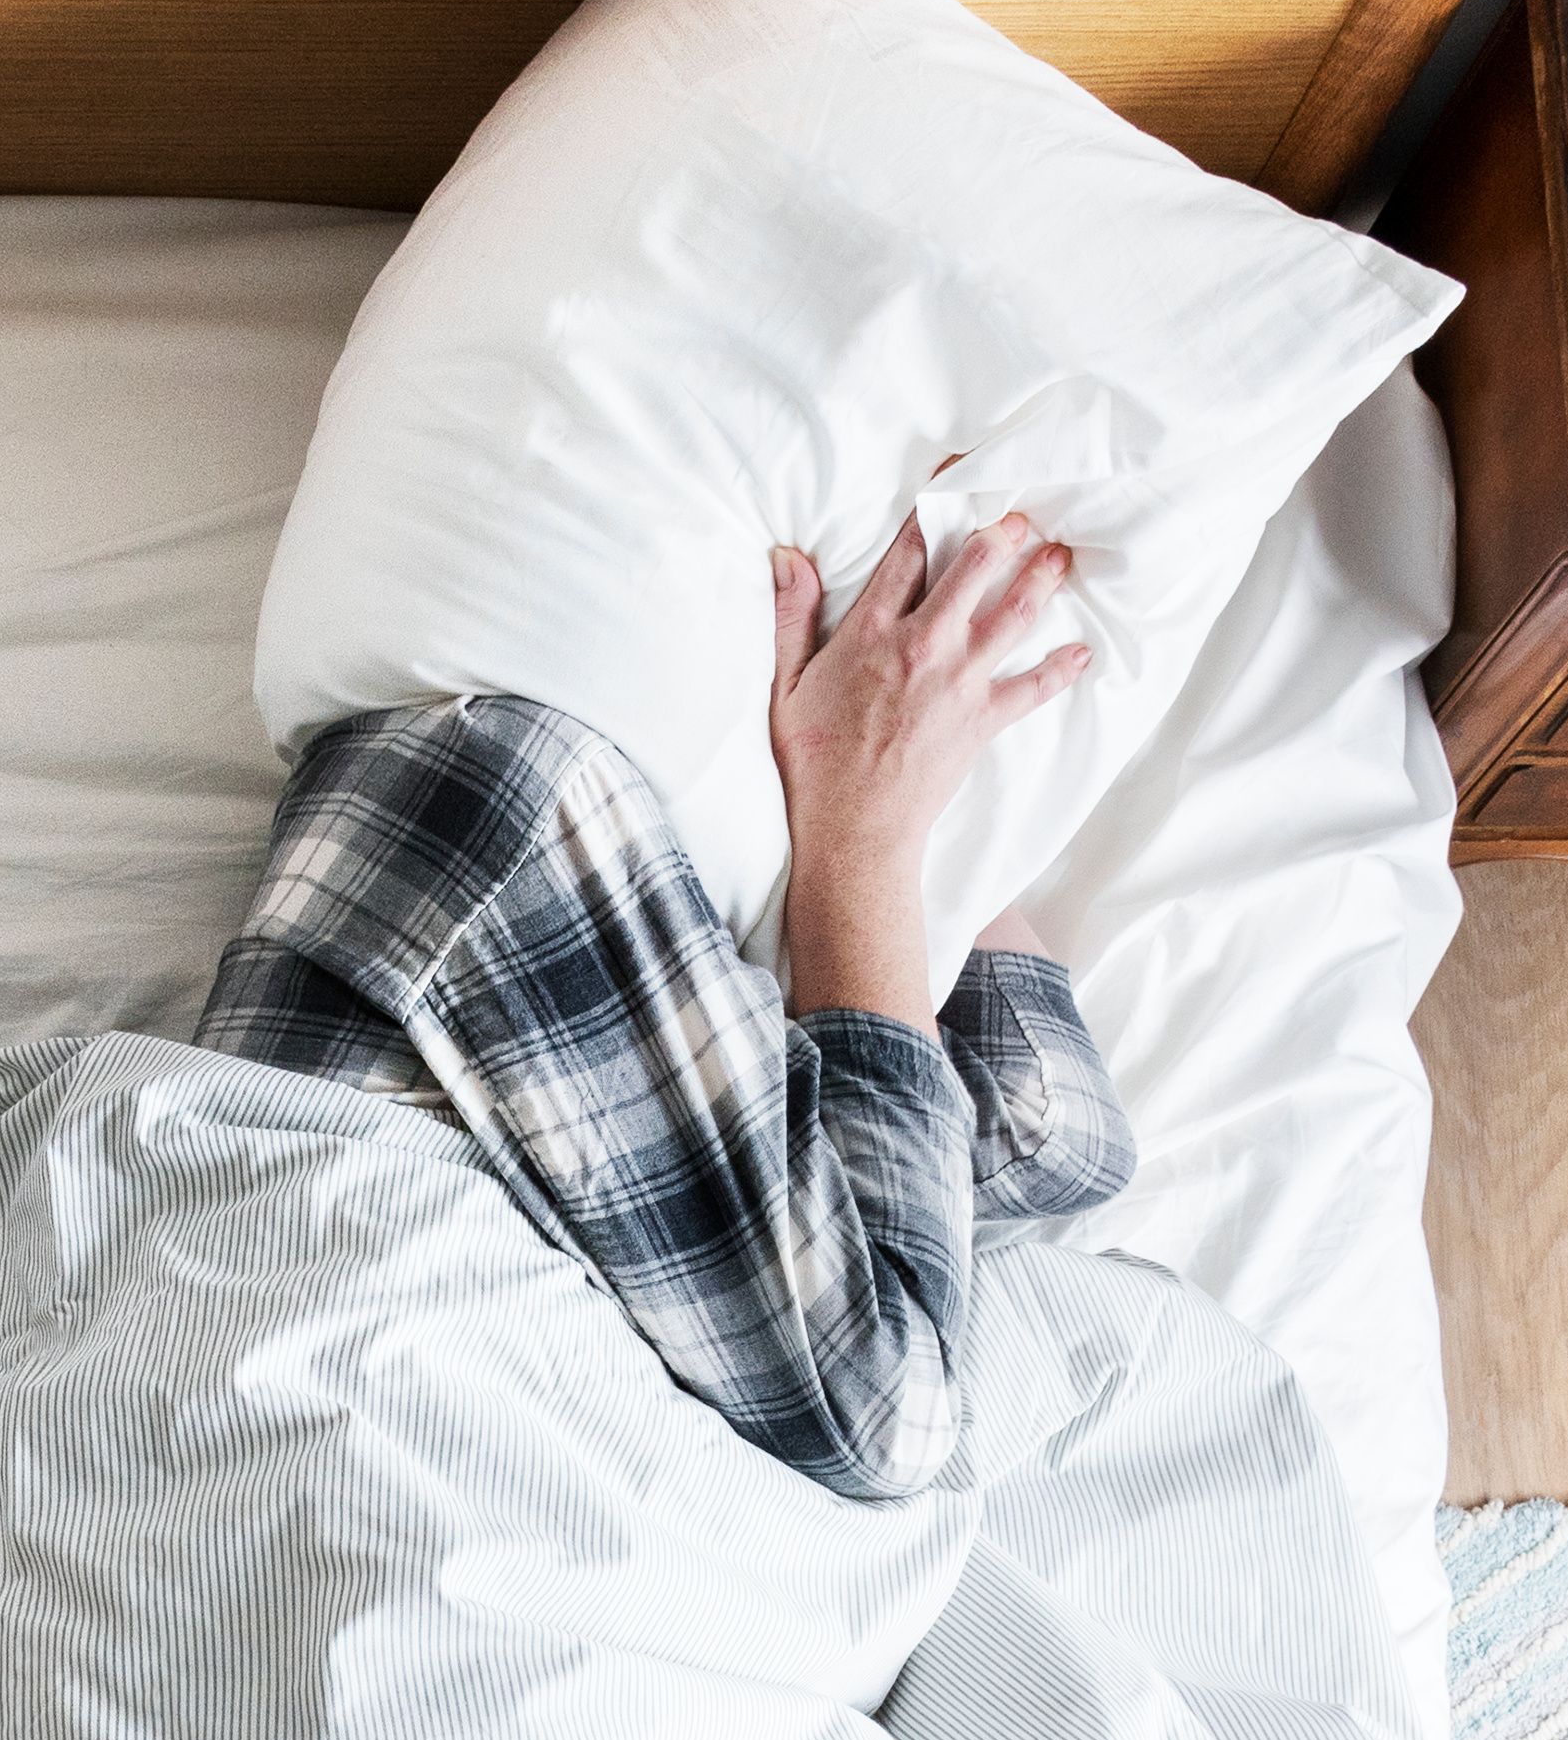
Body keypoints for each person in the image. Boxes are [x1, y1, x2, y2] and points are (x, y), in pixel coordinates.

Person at [194, 510, 1132, 1502]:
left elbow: (891, 1409)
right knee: (1047, 1142)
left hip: (345, 1446)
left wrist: (870, 840)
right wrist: (872, 843)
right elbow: (1036, 1133)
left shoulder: (488, 828)